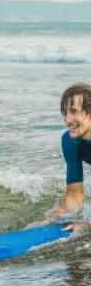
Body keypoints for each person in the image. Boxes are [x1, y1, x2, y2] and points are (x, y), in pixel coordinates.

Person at [51, 83, 91, 231]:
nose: (67, 120)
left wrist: (88, 225)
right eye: (65, 113)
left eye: (74, 112)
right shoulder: (70, 141)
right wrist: (59, 217)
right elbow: (74, 195)